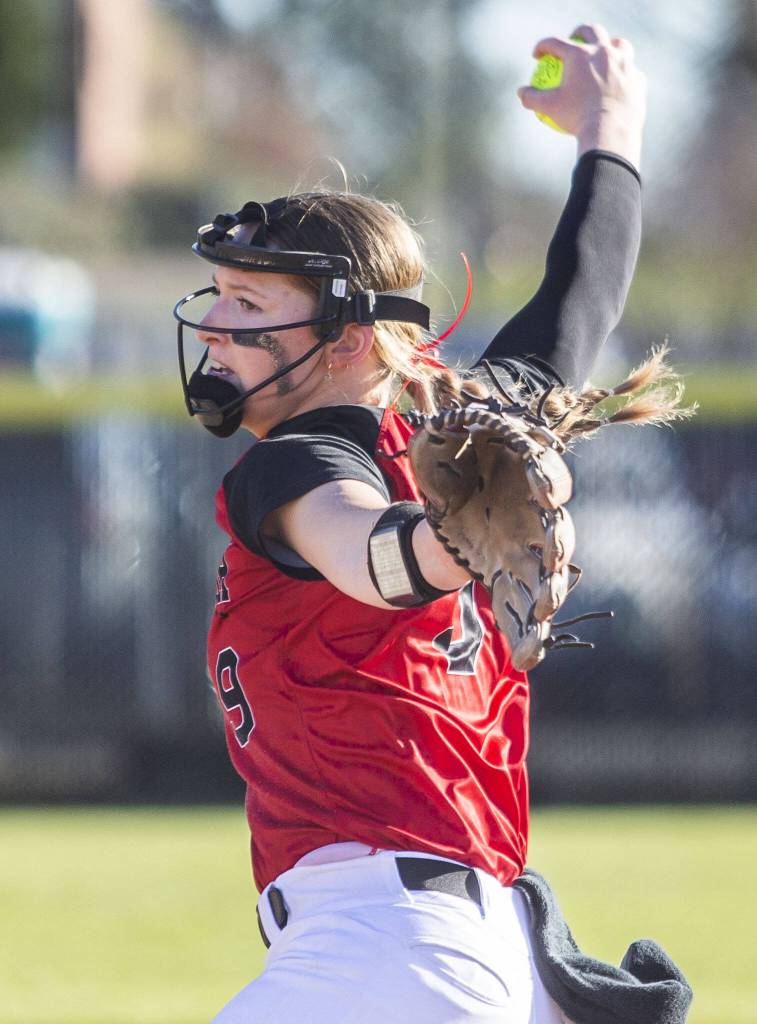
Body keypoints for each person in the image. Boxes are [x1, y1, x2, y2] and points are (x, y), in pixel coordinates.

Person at [175, 25, 649, 1024]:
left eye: (250, 303)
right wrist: (611, 127)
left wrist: (438, 544)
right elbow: (577, 300)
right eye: (218, 296)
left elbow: (366, 549)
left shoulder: (296, 464)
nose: (216, 328)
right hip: (478, 960)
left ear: (346, 337)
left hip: (387, 954)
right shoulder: (469, 433)